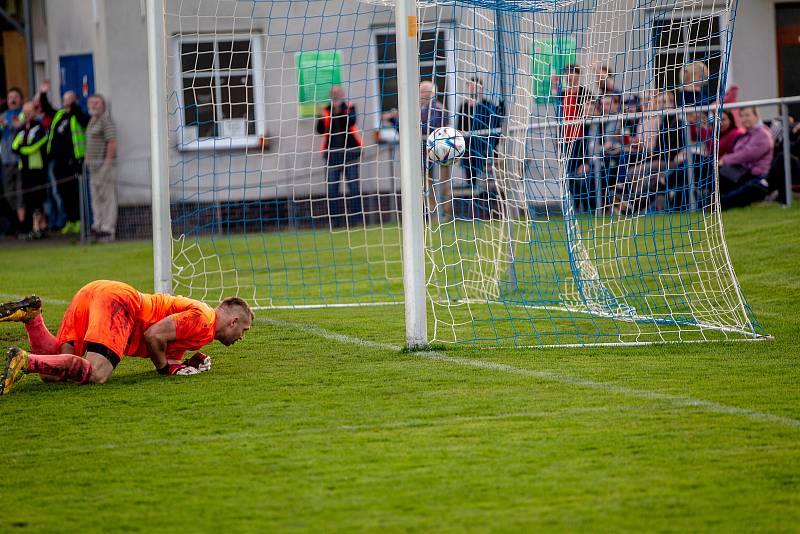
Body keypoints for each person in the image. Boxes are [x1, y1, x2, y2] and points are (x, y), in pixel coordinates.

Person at [0, 280, 253, 395]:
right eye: (244, 330)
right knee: (97, 374)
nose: (242, 337)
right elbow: (153, 335)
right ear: (233, 321)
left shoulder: (202, 328)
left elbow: (166, 347)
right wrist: (164, 369)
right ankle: (25, 361)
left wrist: (182, 366)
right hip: (119, 302)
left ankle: (32, 317)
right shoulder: (203, 319)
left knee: (53, 374)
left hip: (95, 291)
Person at [315, 86, 362, 227]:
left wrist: (340, 111)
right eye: (333, 93)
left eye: (338, 93)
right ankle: (335, 222)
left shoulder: (350, 107)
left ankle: (356, 220)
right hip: (331, 155)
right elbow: (319, 130)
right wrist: (321, 116)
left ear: (342, 94)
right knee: (332, 190)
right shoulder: (325, 110)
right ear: (331, 95)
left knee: (354, 188)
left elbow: (351, 121)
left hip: (350, 153)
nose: (336, 95)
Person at [47, 90, 89, 235]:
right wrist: (42, 95)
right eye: (65, 99)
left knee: (74, 192)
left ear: (75, 100)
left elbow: (85, 122)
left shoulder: (78, 114)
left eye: (70, 99)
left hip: (74, 160)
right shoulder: (60, 115)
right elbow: (48, 110)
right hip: (59, 162)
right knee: (63, 193)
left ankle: (79, 221)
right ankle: (70, 221)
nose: (67, 102)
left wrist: (74, 108)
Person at [718, 106, 773, 209]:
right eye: (741, 116)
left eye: (747, 115)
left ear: (757, 116)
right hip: (741, 173)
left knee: (727, 197)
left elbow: (747, 154)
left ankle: (715, 202)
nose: (744, 119)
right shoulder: (746, 134)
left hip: (755, 176)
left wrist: (724, 160)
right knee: (711, 170)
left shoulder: (762, 134)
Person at [456, 77, 505, 189]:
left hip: (485, 145)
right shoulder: (464, 106)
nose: (473, 89)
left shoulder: (488, 105)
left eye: (476, 87)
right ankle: (472, 188)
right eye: (471, 87)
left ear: (481, 88)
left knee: (487, 171)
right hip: (469, 146)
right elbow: (459, 126)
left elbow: (496, 126)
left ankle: (489, 194)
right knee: (469, 162)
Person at [11, 101, 49, 238]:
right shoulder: (20, 129)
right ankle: (40, 225)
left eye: (29, 111)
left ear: (35, 112)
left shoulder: (40, 128)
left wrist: (22, 149)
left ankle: (37, 227)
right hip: (24, 168)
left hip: (37, 167)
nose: (26, 114)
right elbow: (13, 146)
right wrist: (22, 149)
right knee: (29, 199)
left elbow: (35, 146)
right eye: (24, 111)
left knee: (37, 198)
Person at [85, 94, 118, 241]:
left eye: (97, 103)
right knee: (96, 198)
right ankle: (97, 225)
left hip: (103, 165)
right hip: (92, 167)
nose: (94, 105)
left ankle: (107, 229)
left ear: (103, 105)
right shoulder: (92, 121)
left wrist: (107, 162)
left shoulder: (105, 120)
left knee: (107, 197)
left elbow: (111, 141)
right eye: (91, 103)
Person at [419, 81, 452, 221]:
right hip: (423, 153)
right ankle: (432, 213)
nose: (421, 94)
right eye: (420, 91)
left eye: (424, 91)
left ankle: (447, 212)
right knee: (428, 184)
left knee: (444, 182)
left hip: (440, 151)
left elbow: (437, 127)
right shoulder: (416, 109)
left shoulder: (438, 109)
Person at [1, 87, 24, 236]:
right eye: (10, 97)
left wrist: (9, 125)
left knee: (21, 192)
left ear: (20, 99)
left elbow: (20, 129)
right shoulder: (3, 115)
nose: (13, 99)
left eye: (16, 97)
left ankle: (22, 224)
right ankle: (15, 222)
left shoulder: (23, 114)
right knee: (9, 193)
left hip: (20, 160)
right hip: (5, 161)